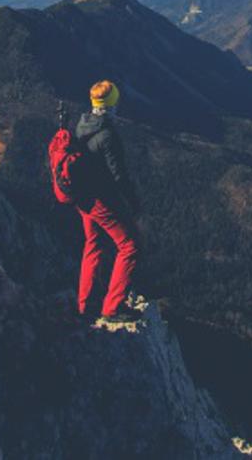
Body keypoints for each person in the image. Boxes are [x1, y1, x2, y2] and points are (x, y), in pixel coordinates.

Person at [74, 80, 142, 323]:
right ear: (113, 104)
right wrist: (133, 203)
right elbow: (118, 175)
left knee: (94, 245)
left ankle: (86, 306)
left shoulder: (82, 126)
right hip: (101, 200)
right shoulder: (107, 134)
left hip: (83, 199)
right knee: (130, 246)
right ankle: (113, 306)